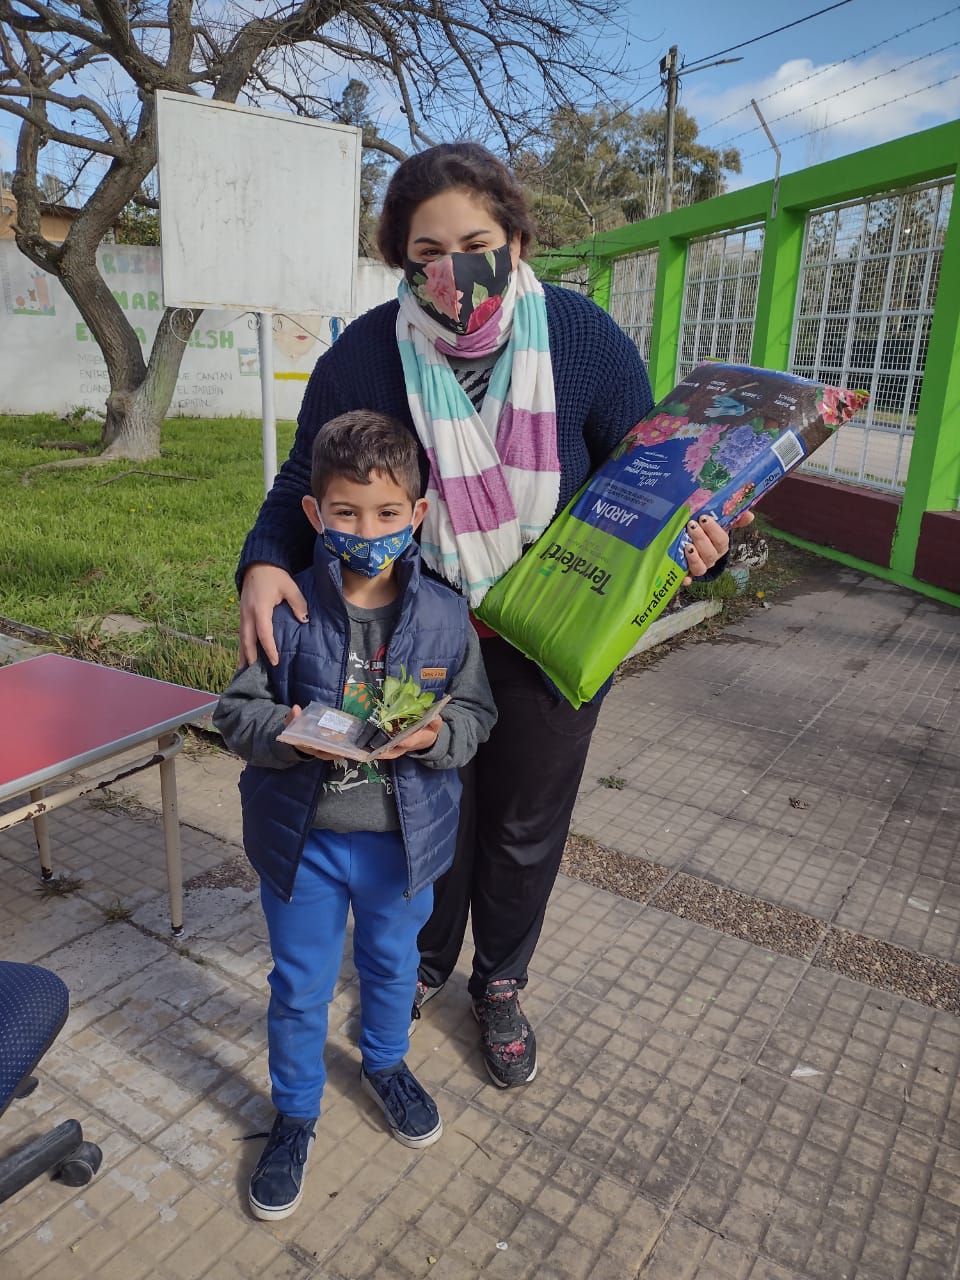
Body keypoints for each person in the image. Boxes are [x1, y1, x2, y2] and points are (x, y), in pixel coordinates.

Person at [236, 142, 750, 1094]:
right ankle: (424, 962)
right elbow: (298, 483)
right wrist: (263, 564)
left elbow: (645, 486)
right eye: (426, 252)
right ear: (401, 262)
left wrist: (702, 544)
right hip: (415, 634)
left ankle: (500, 981)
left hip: (550, 635)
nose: (452, 272)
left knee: (522, 824)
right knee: (430, 807)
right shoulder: (363, 356)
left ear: (516, 240)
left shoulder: (586, 342)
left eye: (475, 243)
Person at [215, 411, 496, 1220]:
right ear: (315, 515)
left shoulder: (447, 616)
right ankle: (296, 1114)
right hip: (302, 846)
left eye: (384, 515)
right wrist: (289, 736)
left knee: (391, 968)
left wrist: (441, 732)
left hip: (400, 849)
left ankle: (386, 1063)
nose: (365, 530)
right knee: (299, 988)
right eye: (345, 513)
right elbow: (235, 714)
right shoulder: (284, 605)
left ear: (417, 515)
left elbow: (476, 716)